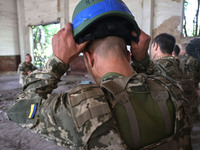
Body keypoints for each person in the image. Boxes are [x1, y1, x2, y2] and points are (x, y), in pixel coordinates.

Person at [7, 0, 191, 149]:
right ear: (129, 55)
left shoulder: (79, 107)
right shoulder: (173, 91)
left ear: (89, 58)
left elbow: (19, 110)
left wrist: (57, 61)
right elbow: (155, 79)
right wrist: (143, 61)